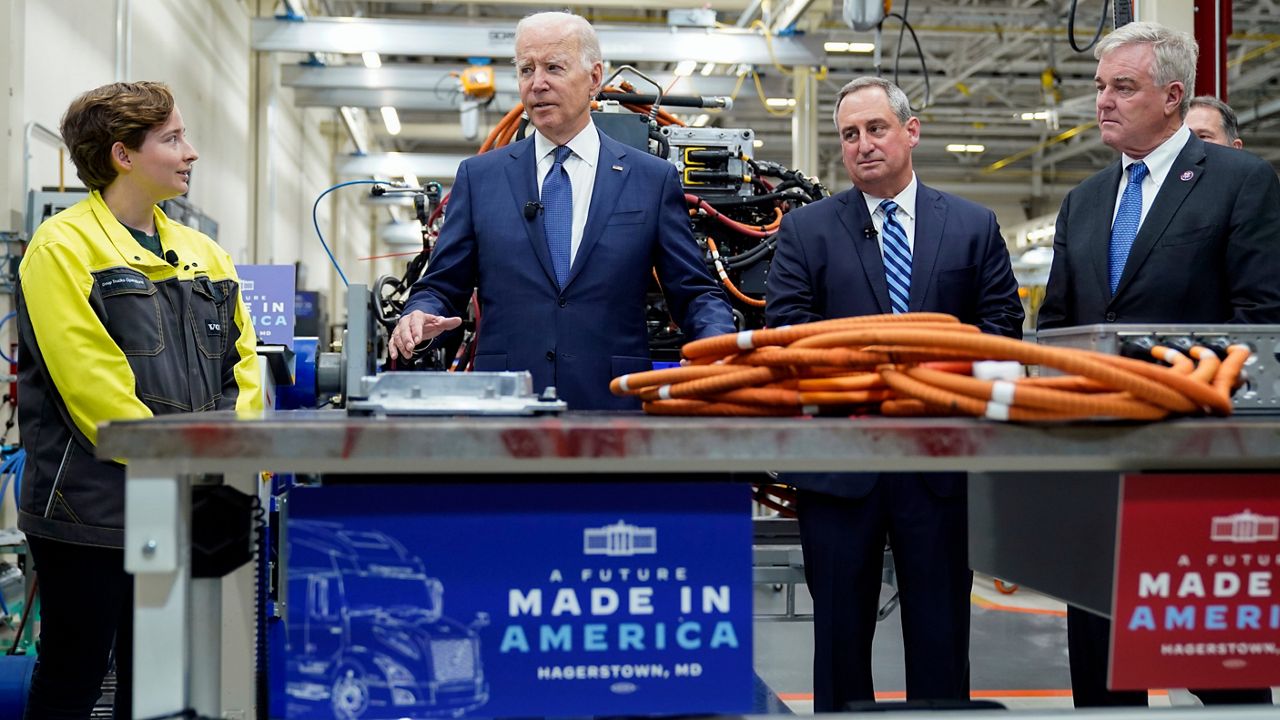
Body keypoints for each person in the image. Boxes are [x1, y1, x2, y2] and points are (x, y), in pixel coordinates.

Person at [1039, 21, 1279, 707]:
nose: (1103, 102)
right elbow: (1058, 328)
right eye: (1099, 87)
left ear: (1172, 96)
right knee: (1102, 665)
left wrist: (1163, 388)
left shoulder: (1239, 181)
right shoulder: (1084, 203)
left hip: (1195, 463)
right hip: (1097, 466)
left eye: (1123, 87)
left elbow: (1260, 321)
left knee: (1218, 667)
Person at [765, 76, 1023, 711]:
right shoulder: (807, 230)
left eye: (875, 129)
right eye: (849, 135)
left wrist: (929, 375)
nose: (863, 145)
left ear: (911, 131)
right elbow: (786, 332)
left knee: (940, 636)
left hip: (938, 466)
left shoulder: (971, 225)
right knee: (840, 641)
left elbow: (1002, 333)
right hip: (839, 467)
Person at [16, 82, 263, 719]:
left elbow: (244, 370)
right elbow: (96, 395)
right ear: (123, 155)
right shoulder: (61, 249)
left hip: (197, 498)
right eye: (173, 138)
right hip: (93, 509)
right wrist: (198, 468)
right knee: (76, 667)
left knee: (165, 680)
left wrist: (234, 460)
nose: (192, 152)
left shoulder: (204, 254)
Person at [388, 11, 734, 410]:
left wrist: (717, 342)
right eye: (525, 69)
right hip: (504, 407)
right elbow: (441, 287)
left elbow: (693, 292)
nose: (537, 83)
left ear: (593, 77)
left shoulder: (651, 180)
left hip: (612, 406)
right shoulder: (479, 178)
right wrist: (420, 314)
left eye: (554, 67)